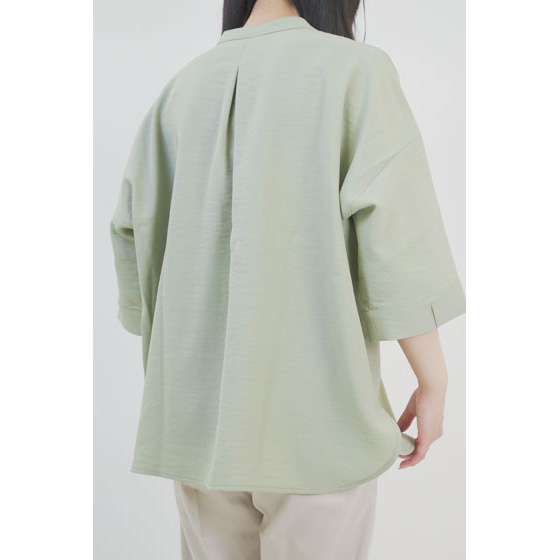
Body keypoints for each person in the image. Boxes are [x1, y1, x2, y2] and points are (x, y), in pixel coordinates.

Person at [109, 0, 465, 558]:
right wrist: (432, 379)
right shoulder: (355, 70)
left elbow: (130, 230)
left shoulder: (181, 88)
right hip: (318, 428)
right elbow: (398, 236)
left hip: (198, 428)